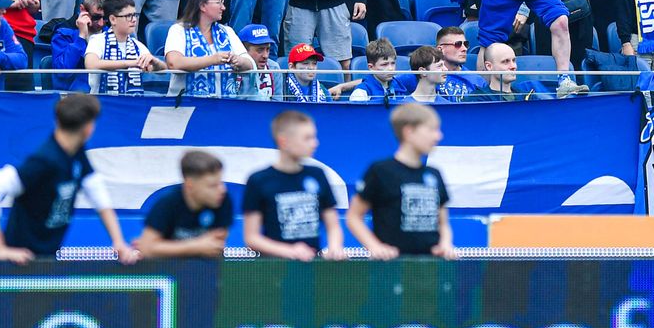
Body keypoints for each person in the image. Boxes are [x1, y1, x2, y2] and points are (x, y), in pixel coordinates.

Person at [0, 93, 138, 264]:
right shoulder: (44, 160)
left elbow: (97, 193)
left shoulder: (77, 153)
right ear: (89, 128)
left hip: (46, 259)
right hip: (17, 265)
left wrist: (118, 242)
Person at [345, 101, 455, 259]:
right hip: (390, 266)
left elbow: (443, 223)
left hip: (431, 265)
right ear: (409, 132)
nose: (438, 136)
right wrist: (375, 247)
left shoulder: (434, 174)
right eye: (432, 130)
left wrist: (445, 244)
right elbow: (354, 217)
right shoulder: (380, 171)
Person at [242, 109, 344, 260]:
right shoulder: (259, 180)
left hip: (312, 265)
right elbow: (251, 238)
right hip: (274, 268)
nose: (315, 143)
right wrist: (289, 251)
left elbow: (333, 225)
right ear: (283, 141)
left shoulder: (318, 174)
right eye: (307, 138)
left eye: (314, 137)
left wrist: (335, 247)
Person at [165, 0, 255, 96]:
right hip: (187, 104)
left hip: (225, 104)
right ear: (202, 6)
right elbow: (174, 63)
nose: (223, 7)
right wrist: (213, 60)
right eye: (218, 3)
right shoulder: (178, 30)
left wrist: (239, 61)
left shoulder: (227, 31)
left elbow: (251, 64)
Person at [136, 149, 232, 258]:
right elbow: (146, 249)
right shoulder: (167, 203)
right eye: (212, 186)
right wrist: (196, 246)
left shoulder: (222, 200)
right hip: (167, 266)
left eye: (221, 182)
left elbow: (215, 245)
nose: (222, 189)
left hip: (205, 266)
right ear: (190, 185)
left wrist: (163, 247)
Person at [83, 0, 164, 95]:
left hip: (132, 103)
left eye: (134, 15)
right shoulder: (98, 40)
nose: (134, 20)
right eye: (128, 16)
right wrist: (130, 63)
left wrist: (155, 62)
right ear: (113, 19)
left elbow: (163, 70)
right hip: (101, 102)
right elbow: (91, 64)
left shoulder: (136, 45)